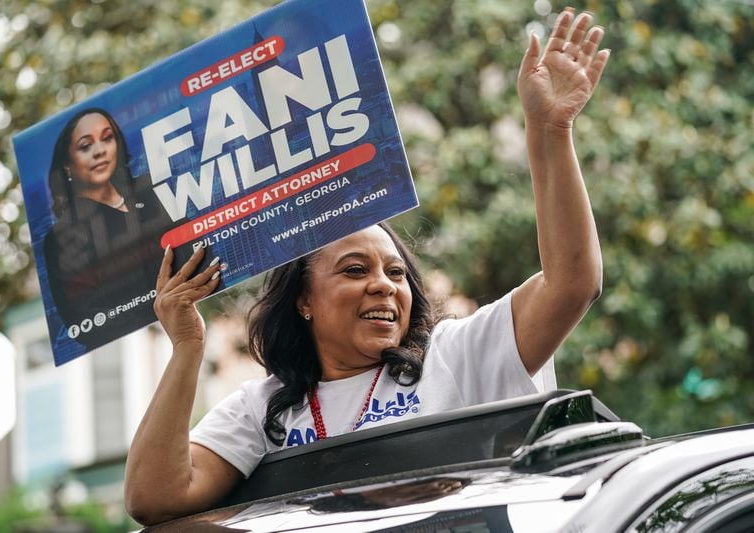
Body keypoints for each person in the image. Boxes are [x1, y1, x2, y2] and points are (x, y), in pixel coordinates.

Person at [124, 8, 610, 525]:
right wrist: (187, 348)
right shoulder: (264, 407)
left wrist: (550, 129)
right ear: (303, 300)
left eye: (396, 273)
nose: (383, 285)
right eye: (355, 270)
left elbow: (571, 284)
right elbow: (155, 500)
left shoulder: (454, 357)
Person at [43, 108, 183, 352]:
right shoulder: (61, 237)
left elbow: (196, 249)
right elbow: (84, 322)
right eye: (85, 146)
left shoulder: (149, 188)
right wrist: (159, 307)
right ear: (67, 165)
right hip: (137, 349)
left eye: (107, 138)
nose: (100, 151)